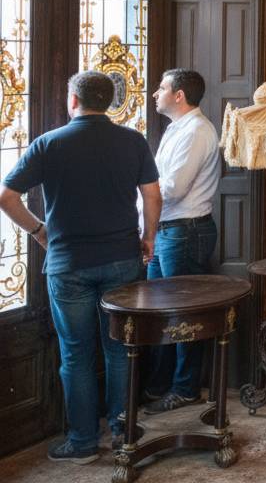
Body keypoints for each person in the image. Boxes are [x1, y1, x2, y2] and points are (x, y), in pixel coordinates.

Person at [0, 71, 161, 463]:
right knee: (120, 350)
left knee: (76, 355)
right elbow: (152, 195)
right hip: (122, 260)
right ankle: (124, 432)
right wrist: (149, 236)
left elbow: (6, 196)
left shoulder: (48, 144)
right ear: (110, 102)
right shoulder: (132, 140)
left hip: (68, 262)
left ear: (73, 100)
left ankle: (84, 442)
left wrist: (39, 230)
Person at [142, 69, 221, 415]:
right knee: (158, 313)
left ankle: (185, 388)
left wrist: (142, 191)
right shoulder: (177, 129)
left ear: (179, 95)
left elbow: (173, 188)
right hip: (166, 230)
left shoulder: (197, 131)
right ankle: (159, 385)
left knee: (182, 314)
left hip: (185, 232)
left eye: (161, 88)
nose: (155, 93)